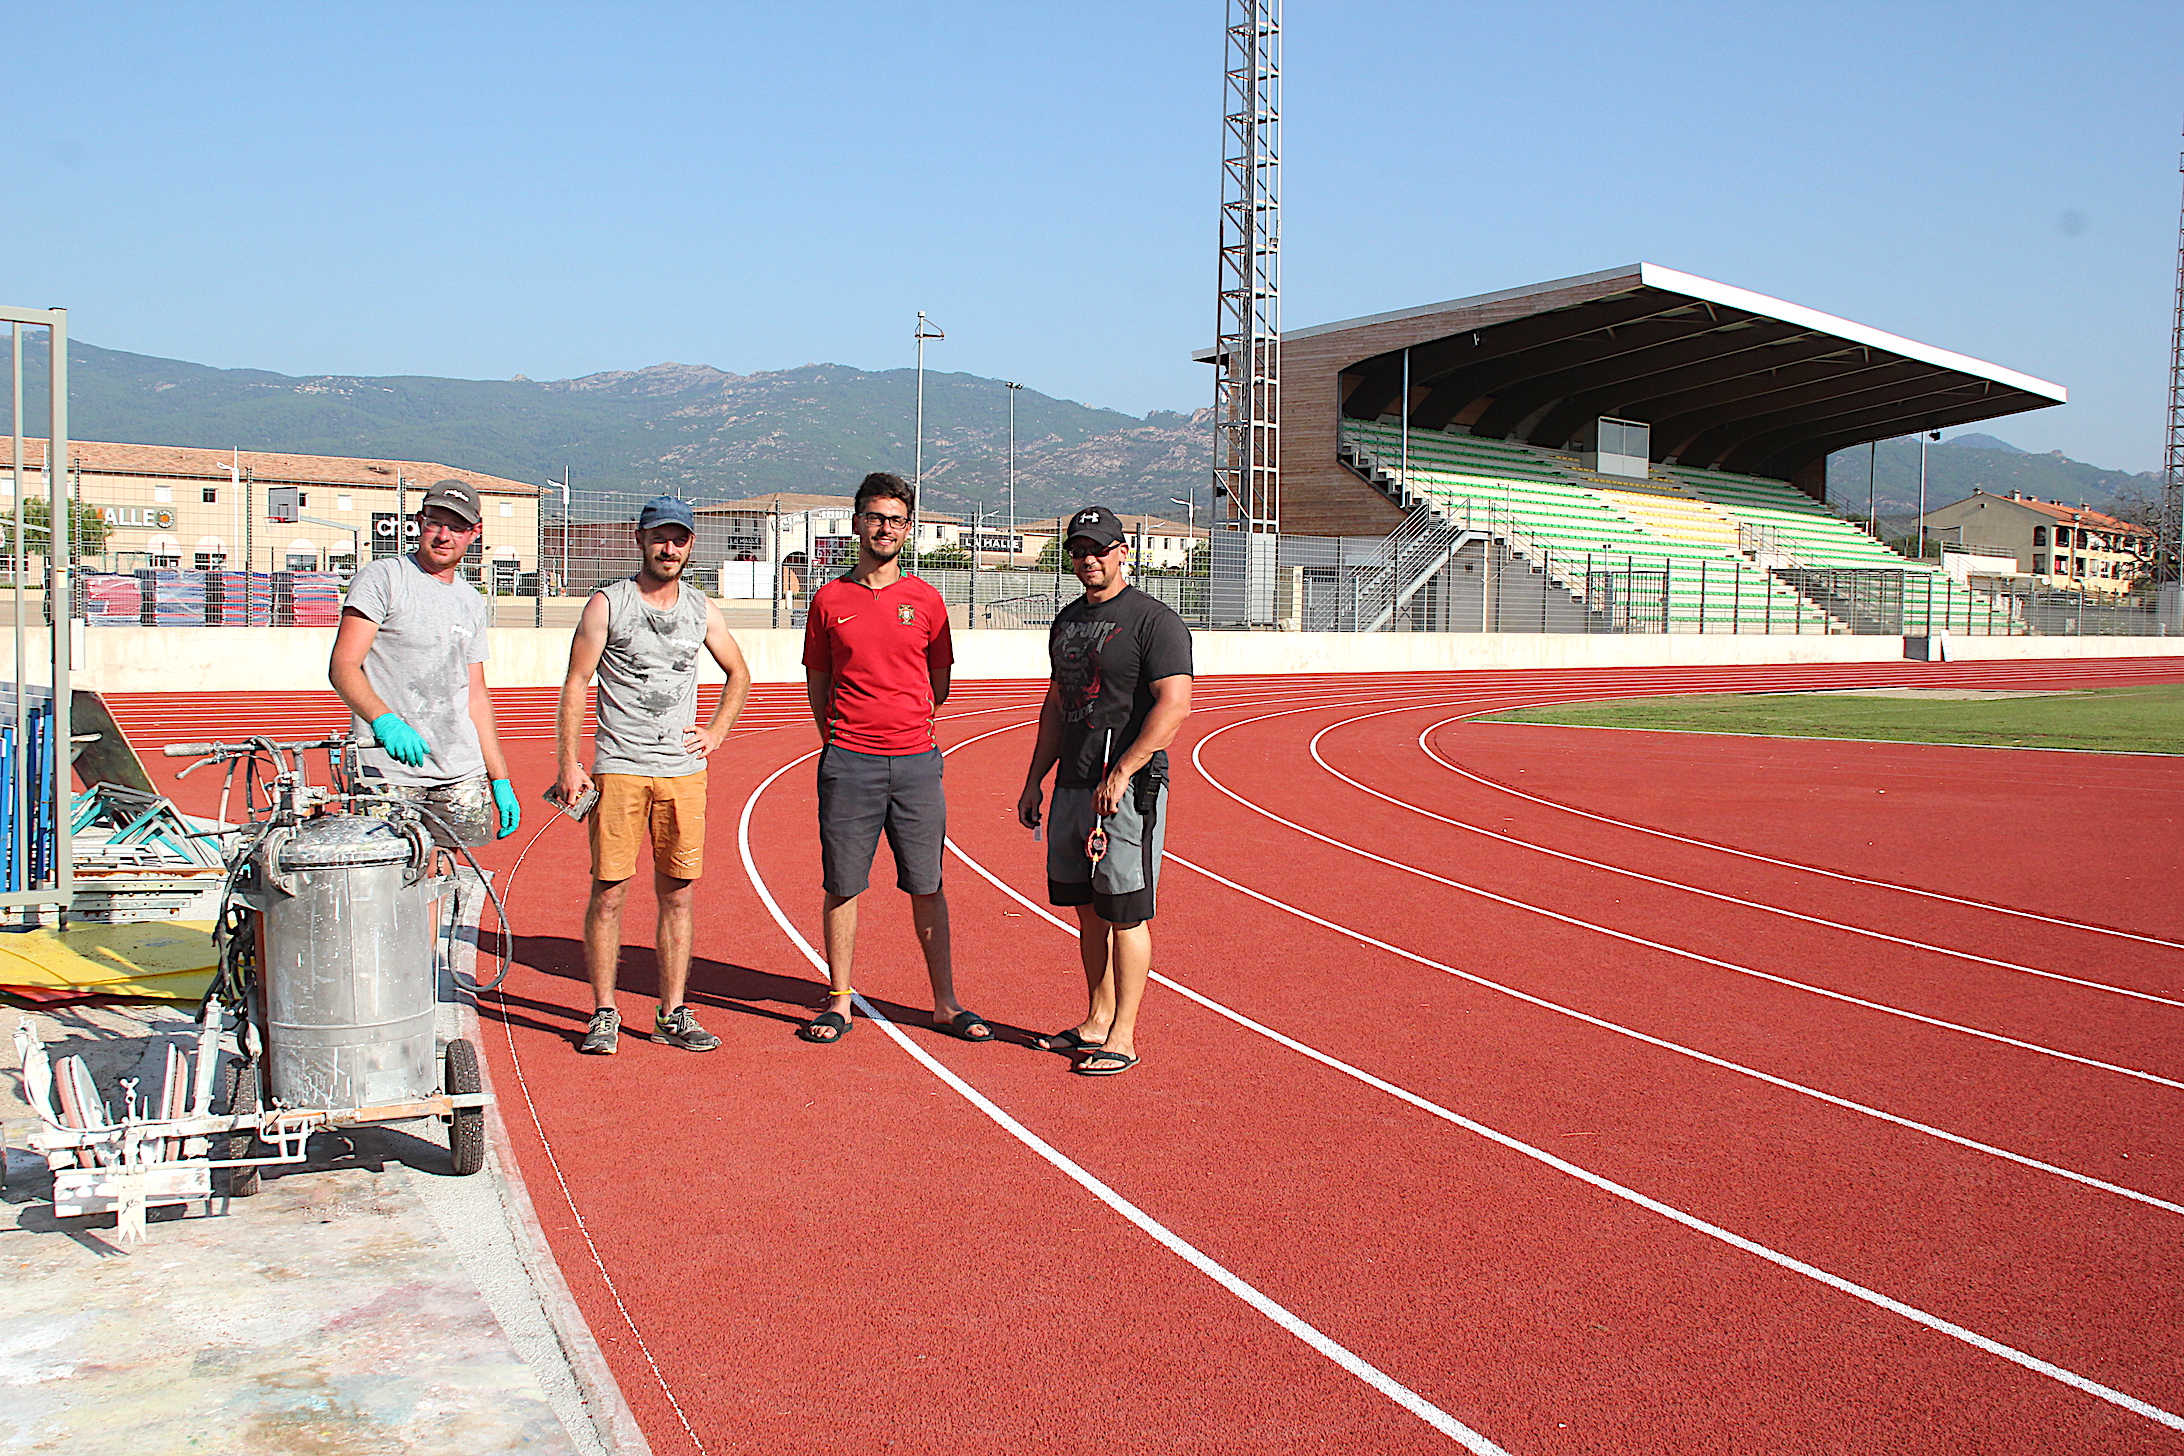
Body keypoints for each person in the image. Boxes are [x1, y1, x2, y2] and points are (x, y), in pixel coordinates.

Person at [800, 472, 991, 1045]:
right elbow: (818, 682)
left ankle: (945, 1003)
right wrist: (840, 739)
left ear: (907, 530)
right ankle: (839, 1002)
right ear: (856, 523)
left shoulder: (927, 601)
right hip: (848, 762)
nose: (886, 528)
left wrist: (904, 726)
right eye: (876, 517)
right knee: (843, 884)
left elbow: (940, 684)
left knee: (928, 883)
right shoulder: (829, 600)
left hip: (915, 764)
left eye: (897, 520)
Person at [557, 497, 753, 1055]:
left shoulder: (701, 608)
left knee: (678, 895)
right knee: (610, 892)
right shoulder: (607, 605)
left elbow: (738, 672)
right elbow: (576, 682)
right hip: (618, 768)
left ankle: (673, 1012)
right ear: (639, 539)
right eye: (660, 538)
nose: (669, 549)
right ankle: (604, 1012)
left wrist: (715, 732)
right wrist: (569, 762)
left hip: (683, 774)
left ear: (690, 545)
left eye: (680, 539)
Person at [1016, 505, 1193, 1076]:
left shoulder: (1154, 621)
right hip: (1072, 783)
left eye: (1098, 548)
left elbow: (1174, 705)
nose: (1088, 559)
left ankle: (1125, 1034)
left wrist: (1124, 772)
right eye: (1078, 550)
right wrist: (1034, 779)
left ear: (1123, 552)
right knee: (1087, 912)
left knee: (1126, 912)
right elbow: (1055, 705)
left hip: (1127, 789)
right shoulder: (1065, 621)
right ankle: (1096, 1019)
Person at [330, 478, 519, 850]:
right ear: (419, 522)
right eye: (436, 522)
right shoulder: (384, 579)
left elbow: (475, 695)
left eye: (458, 527)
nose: (445, 536)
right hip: (389, 772)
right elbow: (343, 666)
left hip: (459, 772)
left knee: (451, 879)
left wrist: (499, 778)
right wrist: (385, 722)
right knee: (389, 885)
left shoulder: (470, 600)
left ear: (475, 532)